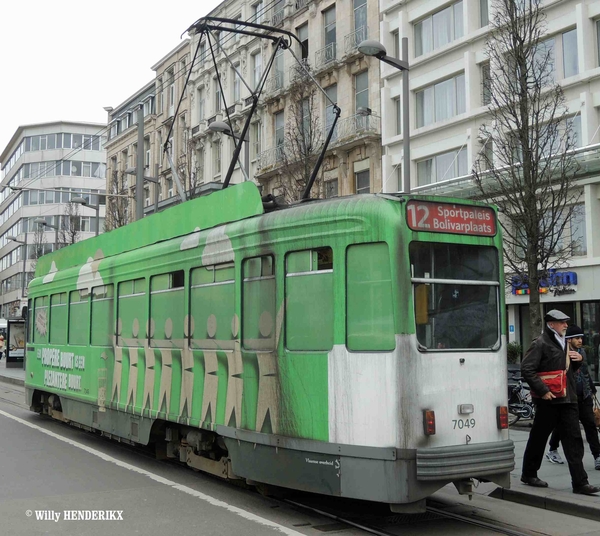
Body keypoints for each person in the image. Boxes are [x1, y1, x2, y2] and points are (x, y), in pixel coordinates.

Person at [520, 309, 600, 495]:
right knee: (539, 438)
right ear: (551, 324)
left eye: (566, 322)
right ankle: (529, 474)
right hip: (549, 400)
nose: (566, 325)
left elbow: (568, 369)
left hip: (568, 398)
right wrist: (543, 390)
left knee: (573, 440)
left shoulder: (564, 342)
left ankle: (580, 483)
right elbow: (527, 368)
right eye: (562, 322)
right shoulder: (540, 343)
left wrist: (578, 360)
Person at [546, 325, 600, 470]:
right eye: (577, 338)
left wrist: (592, 389)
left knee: (590, 425)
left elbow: (585, 372)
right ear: (568, 340)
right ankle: (552, 449)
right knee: (563, 425)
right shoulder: (561, 353)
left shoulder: (582, 352)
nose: (580, 340)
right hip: (569, 397)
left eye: (581, 337)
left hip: (585, 396)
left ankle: (597, 456)